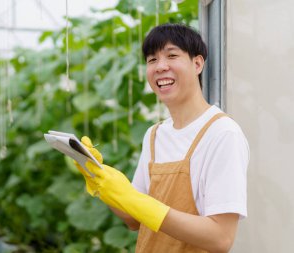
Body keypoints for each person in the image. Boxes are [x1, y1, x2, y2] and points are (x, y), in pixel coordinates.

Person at [74, 23, 249, 253]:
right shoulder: (155, 135)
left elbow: (220, 238)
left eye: (172, 55)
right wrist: (100, 179)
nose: (160, 66)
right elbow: (134, 220)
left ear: (197, 63)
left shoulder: (223, 134)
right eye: (151, 60)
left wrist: (137, 201)